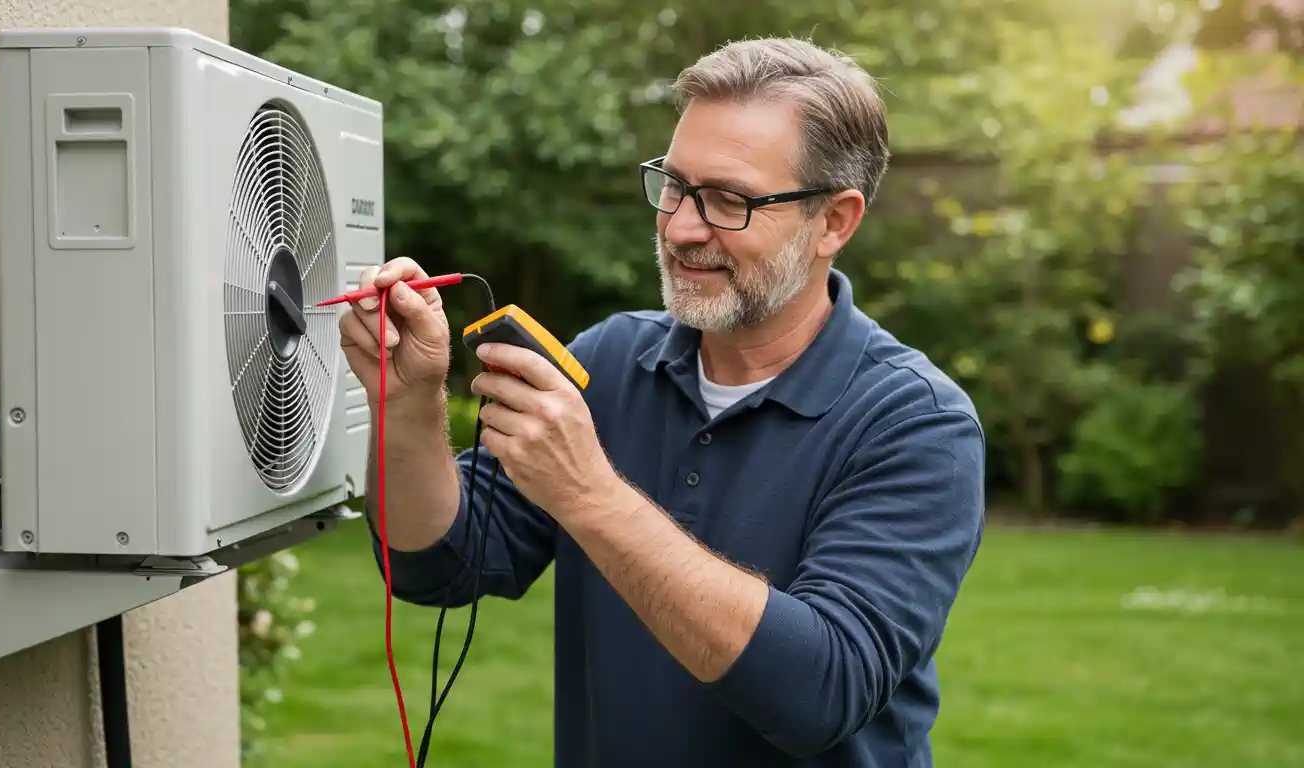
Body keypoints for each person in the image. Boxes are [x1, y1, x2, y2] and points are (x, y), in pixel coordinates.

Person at [339, 36, 985, 768]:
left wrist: (588, 493)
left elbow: (819, 692)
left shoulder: (916, 422)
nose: (680, 227)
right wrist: (408, 400)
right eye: (674, 186)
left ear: (833, 221)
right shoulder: (610, 361)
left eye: (729, 200)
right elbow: (437, 563)